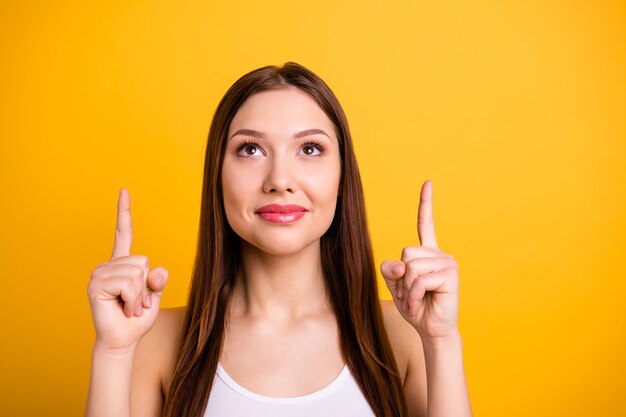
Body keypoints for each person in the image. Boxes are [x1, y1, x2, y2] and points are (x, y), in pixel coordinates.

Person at [85, 62, 472, 417]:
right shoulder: (156, 343)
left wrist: (442, 342)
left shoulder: (404, 336)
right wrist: (113, 352)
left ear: (342, 179)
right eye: (250, 149)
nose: (280, 180)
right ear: (218, 177)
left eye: (310, 149)